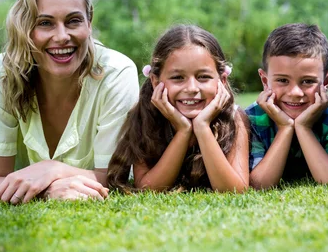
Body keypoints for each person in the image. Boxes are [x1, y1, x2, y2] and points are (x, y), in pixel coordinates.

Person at [0, 0, 139, 203]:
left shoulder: (116, 73)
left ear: (89, 23)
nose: (61, 36)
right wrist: (48, 191)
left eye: (73, 21)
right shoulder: (3, 72)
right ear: (26, 29)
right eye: (45, 23)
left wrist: (50, 169)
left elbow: (112, 177)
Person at [106, 25, 249, 193]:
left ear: (222, 80)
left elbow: (234, 190)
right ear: (155, 81)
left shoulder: (234, 117)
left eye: (203, 77)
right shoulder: (146, 115)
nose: (191, 88)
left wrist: (202, 127)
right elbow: (148, 188)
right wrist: (183, 131)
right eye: (177, 78)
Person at [247, 23, 328, 189]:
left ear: (326, 82)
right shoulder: (252, 119)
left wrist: (303, 128)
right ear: (264, 80)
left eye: (308, 81)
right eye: (282, 80)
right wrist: (285, 128)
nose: (295, 92)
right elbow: (259, 185)